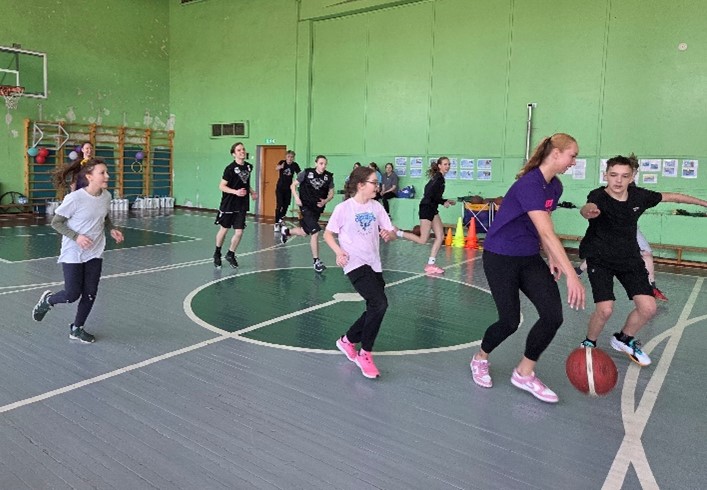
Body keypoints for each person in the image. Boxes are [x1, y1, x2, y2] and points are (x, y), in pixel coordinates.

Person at [469, 134, 585, 403]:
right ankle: (480, 358)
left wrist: (552, 257)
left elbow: (545, 226)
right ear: (556, 153)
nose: (574, 162)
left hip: (529, 256)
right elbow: (545, 230)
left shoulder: (554, 187)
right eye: (572, 155)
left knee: (552, 316)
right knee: (509, 321)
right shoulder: (529, 185)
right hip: (500, 256)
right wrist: (572, 275)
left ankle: (524, 372)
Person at [577, 154, 707, 366]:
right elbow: (587, 207)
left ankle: (623, 339)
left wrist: (704, 203)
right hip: (600, 258)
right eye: (613, 175)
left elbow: (673, 197)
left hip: (629, 257)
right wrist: (588, 212)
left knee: (648, 308)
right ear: (605, 175)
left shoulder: (639, 196)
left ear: (632, 177)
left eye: (624, 176)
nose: (618, 180)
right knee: (605, 309)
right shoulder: (598, 196)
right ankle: (589, 343)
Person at [32, 158, 125, 343]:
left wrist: (111, 228)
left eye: (107, 172)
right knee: (72, 294)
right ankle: (48, 301)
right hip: (73, 252)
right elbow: (56, 222)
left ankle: (77, 328)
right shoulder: (75, 198)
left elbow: (104, 216)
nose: (107, 176)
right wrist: (77, 237)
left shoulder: (106, 196)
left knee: (90, 293)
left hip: (95, 251)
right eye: (102, 173)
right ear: (90, 176)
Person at [324, 166, 397, 379]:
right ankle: (365, 353)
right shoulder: (344, 208)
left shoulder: (376, 207)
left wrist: (389, 235)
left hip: (374, 263)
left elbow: (391, 232)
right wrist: (339, 252)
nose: (377, 186)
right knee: (380, 303)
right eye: (374, 182)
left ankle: (347, 340)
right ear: (361, 185)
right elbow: (328, 234)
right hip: (354, 263)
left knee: (374, 307)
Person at [396, 157, 456, 274]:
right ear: (439, 166)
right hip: (426, 208)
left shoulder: (439, 178)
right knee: (423, 239)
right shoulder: (438, 178)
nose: (447, 166)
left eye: (448, 164)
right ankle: (398, 232)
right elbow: (428, 193)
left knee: (440, 236)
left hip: (432, 209)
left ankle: (430, 264)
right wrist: (443, 202)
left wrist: (444, 201)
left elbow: (433, 194)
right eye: (445, 164)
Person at [575, 227, 668, 300]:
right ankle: (578, 271)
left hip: (629, 226)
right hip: (611, 227)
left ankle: (652, 288)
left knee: (646, 254)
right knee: (603, 254)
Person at [280, 155, 334, 273]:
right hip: (305, 206)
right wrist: (296, 198)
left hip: (317, 208)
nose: (323, 166)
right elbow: (293, 185)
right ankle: (316, 261)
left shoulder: (328, 177)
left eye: (325, 164)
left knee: (305, 231)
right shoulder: (306, 173)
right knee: (315, 231)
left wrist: (325, 201)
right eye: (321, 163)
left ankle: (286, 232)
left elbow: (331, 193)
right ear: (316, 163)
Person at [213, 142, 258, 268]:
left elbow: (245, 183)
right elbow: (221, 186)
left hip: (242, 204)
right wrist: (235, 192)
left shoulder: (248, 167)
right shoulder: (229, 169)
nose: (242, 151)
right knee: (224, 229)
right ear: (234, 154)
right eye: (239, 150)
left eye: (243, 149)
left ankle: (231, 253)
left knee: (239, 232)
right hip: (229, 203)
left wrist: (252, 192)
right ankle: (217, 253)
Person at [274, 150, 300, 231]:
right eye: (288, 157)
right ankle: (276, 223)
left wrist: (298, 182)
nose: (290, 158)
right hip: (280, 187)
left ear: (293, 158)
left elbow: (299, 174)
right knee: (279, 205)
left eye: (292, 157)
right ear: (286, 157)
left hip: (288, 188)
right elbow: (276, 168)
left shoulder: (295, 165)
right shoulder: (282, 162)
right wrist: (280, 167)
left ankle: (281, 219)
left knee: (286, 205)